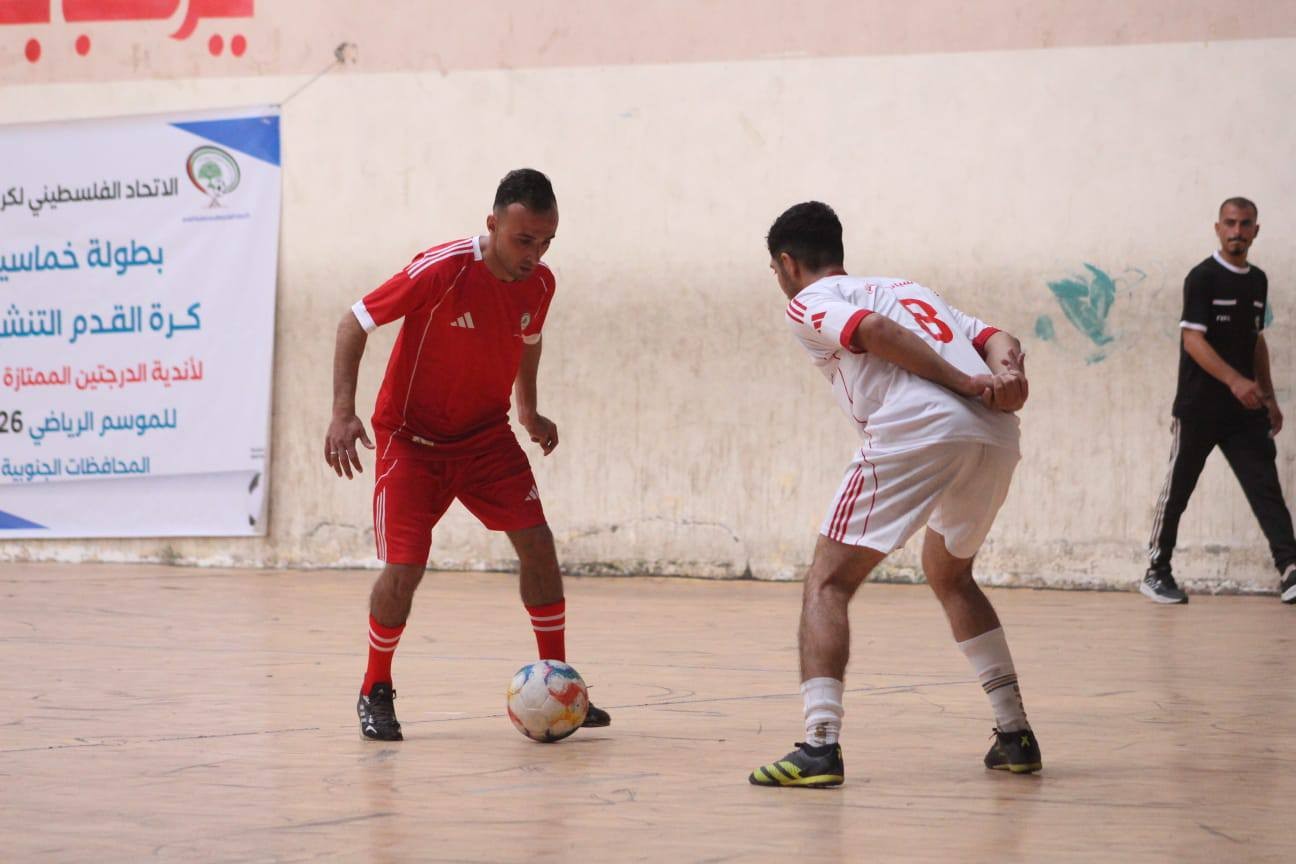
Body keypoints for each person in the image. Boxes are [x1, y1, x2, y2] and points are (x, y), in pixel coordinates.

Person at [748, 201, 1040, 788]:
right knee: (951, 574)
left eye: (775, 269)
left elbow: (873, 333)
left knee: (828, 582)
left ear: (787, 263)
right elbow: (998, 336)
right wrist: (1007, 377)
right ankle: (1015, 735)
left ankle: (819, 747)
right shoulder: (909, 289)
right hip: (993, 437)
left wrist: (965, 382)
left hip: (919, 429)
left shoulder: (809, 300)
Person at [325, 168, 611, 740]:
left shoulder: (541, 284)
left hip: (485, 439)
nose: (535, 254)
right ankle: (375, 686)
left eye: (546, 241)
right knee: (405, 569)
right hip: (411, 443)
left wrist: (528, 410)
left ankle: (558, 682)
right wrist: (342, 412)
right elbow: (354, 322)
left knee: (538, 546)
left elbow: (529, 340)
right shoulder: (443, 268)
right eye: (524, 240)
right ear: (492, 224)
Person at [1144, 197, 1296, 605]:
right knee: (1178, 491)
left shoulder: (1258, 280)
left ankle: (1290, 570)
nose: (1237, 231)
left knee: (1266, 489)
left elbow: (1256, 340)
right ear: (1218, 228)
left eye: (1245, 224)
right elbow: (1192, 340)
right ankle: (1157, 572)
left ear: (1255, 231)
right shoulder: (1203, 278)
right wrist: (1234, 381)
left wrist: (1266, 395)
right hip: (1199, 409)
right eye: (1230, 223)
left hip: (1244, 412)